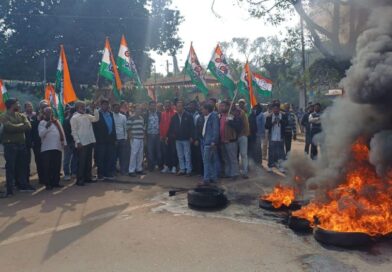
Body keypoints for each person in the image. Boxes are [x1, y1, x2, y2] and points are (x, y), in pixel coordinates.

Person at [0, 98, 34, 197]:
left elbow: (29, 126)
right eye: (17, 103)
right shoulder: (3, 116)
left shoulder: (21, 115)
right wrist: (21, 126)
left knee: (22, 166)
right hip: (10, 145)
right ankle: (10, 189)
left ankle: (23, 186)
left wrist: (15, 126)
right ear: (11, 105)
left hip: (21, 145)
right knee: (10, 168)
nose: (19, 105)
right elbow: (8, 128)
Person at [71, 101, 99, 186]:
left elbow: (96, 119)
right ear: (77, 107)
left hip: (89, 142)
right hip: (82, 143)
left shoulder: (87, 115)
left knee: (88, 161)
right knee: (82, 162)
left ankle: (88, 178)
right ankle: (80, 180)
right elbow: (74, 131)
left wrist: (95, 109)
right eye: (82, 106)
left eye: (84, 106)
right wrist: (78, 142)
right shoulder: (74, 118)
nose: (84, 107)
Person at [38, 107, 66, 190]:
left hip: (57, 147)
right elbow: (41, 135)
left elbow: (62, 132)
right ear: (44, 114)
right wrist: (47, 127)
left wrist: (64, 143)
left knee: (56, 166)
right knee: (48, 167)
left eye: (50, 112)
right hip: (47, 148)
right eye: (47, 112)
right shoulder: (42, 123)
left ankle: (56, 182)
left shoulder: (56, 122)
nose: (49, 114)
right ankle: (48, 184)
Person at [168, 100, 194, 176]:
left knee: (187, 155)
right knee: (180, 155)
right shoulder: (174, 117)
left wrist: (192, 137)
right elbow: (171, 128)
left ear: (183, 107)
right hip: (177, 139)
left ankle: (188, 170)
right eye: (177, 106)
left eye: (180, 106)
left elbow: (192, 127)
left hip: (186, 139)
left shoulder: (188, 116)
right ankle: (182, 169)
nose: (178, 108)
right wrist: (172, 136)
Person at [93, 99, 117, 180]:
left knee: (109, 157)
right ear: (101, 105)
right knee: (100, 158)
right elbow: (94, 127)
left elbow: (113, 127)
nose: (105, 106)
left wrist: (115, 138)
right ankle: (100, 174)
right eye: (104, 104)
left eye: (106, 104)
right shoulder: (97, 114)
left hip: (110, 140)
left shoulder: (110, 114)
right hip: (100, 140)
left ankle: (107, 173)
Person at [219, 100, 242, 180]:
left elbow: (239, 127)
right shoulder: (220, 116)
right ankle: (228, 173)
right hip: (222, 141)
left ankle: (234, 174)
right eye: (221, 106)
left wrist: (230, 122)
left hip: (231, 140)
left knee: (232, 158)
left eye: (224, 106)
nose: (222, 107)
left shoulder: (233, 115)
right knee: (226, 159)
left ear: (228, 107)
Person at [199, 103, 220, 185]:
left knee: (206, 161)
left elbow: (215, 130)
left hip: (210, 142)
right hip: (206, 141)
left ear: (207, 109)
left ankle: (206, 179)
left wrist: (214, 141)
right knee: (211, 161)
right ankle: (213, 178)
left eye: (203, 109)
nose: (201, 110)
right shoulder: (207, 117)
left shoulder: (213, 116)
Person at [265, 102, 287, 173]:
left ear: (279, 109)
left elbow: (287, 124)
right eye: (274, 109)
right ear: (272, 109)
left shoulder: (283, 115)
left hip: (280, 136)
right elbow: (266, 126)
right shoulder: (269, 116)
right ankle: (270, 166)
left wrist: (280, 121)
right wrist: (272, 123)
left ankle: (281, 166)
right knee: (271, 152)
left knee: (281, 152)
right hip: (272, 137)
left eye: (277, 109)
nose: (275, 110)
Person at [127, 105, 145, 177]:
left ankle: (139, 169)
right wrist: (131, 137)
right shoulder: (131, 117)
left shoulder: (141, 118)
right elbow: (128, 128)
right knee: (134, 154)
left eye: (140, 109)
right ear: (134, 110)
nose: (138, 111)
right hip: (135, 138)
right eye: (137, 109)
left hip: (141, 138)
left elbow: (143, 128)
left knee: (140, 155)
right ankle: (131, 171)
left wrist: (144, 138)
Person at [160, 100, 177, 174]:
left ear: (171, 105)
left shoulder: (175, 113)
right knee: (166, 152)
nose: (167, 106)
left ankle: (174, 167)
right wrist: (161, 135)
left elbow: (175, 126)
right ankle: (166, 166)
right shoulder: (163, 114)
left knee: (173, 151)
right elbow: (161, 124)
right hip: (164, 136)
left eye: (168, 105)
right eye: (166, 105)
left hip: (172, 136)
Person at [145, 101, 162, 172]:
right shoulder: (146, 114)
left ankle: (160, 166)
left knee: (158, 151)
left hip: (158, 135)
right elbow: (144, 124)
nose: (153, 107)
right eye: (151, 105)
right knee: (150, 151)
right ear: (149, 106)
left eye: (154, 105)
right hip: (149, 135)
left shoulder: (159, 113)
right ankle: (150, 167)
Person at [63, 106, 78, 180]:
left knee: (74, 158)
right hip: (69, 142)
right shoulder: (66, 121)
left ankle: (73, 172)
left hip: (75, 141)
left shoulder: (74, 120)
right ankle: (67, 173)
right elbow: (66, 133)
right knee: (67, 159)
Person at [112, 103, 128, 175]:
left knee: (123, 156)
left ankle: (123, 170)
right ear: (113, 108)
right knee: (114, 156)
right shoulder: (110, 115)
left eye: (118, 108)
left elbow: (125, 128)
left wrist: (125, 138)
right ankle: (114, 170)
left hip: (122, 139)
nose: (117, 109)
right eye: (116, 107)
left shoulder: (123, 116)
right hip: (114, 139)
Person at [188, 100, 203, 176]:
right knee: (192, 154)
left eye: (192, 105)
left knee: (199, 155)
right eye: (190, 105)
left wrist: (196, 139)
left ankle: (199, 170)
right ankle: (194, 169)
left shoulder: (198, 115)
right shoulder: (188, 114)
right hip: (191, 137)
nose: (191, 106)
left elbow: (197, 128)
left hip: (197, 138)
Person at [23, 101, 36, 184]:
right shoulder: (22, 116)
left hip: (36, 141)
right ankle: (26, 178)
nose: (30, 108)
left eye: (31, 106)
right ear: (25, 108)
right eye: (28, 106)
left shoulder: (36, 115)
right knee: (26, 160)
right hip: (26, 142)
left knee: (39, 159)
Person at [236, 105, 250, 179]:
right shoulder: (232, 113)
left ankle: (245, 172)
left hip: (243, 136)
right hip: (235, 137)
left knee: (243, 155)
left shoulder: (243, 114)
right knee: (236, 155)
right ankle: (237, 171)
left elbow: (244, 126)